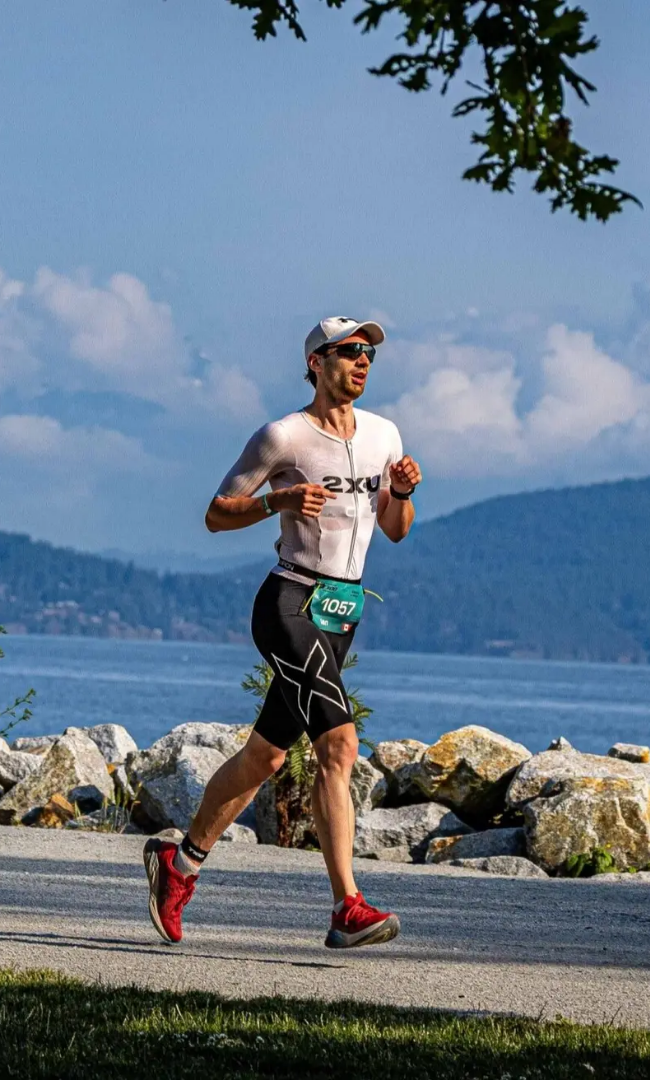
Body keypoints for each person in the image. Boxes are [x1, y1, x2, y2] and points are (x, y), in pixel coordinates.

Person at [143, 315, 422, 949]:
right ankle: (346, 905)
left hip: (342, 610)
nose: (362, 363)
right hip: (289, 600)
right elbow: (217, 515)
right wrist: (280, 502)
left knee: (266, 756)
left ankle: (178, 866)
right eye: (349, 352)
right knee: (340, 746)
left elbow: (397, 528)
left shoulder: (384, 436)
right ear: (315, 364)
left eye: (368, 355)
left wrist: (401, 493)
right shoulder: (282, 437)